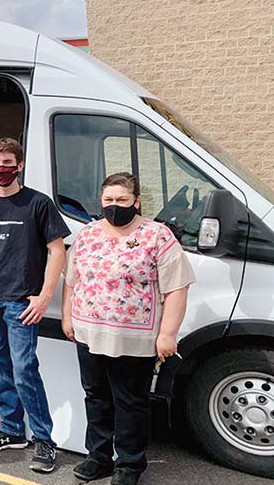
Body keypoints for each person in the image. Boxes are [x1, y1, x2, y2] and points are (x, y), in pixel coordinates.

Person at [62, 172, 194, 485]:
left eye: (122, 200)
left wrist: (167, 334)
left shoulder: (157, 235)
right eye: (108, 200)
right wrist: (68, 317)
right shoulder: (88, 234)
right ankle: (99, 458)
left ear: (136, 201)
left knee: (130, 402)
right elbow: (72, 279)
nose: (114, 205)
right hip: (89, 333)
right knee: (96, 397)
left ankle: (129, 465)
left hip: (135, 338)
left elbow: (177, 287)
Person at [0, 137, 70, 474]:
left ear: (20, 165)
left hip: (21, 302)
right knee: (2, 366)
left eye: (7, 163)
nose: (1, 170)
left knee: (24, 370)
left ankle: (45, 440)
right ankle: (12, 430)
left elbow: (58, 250)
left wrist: (45, 295)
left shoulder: (38, 203)